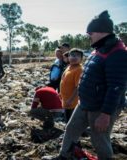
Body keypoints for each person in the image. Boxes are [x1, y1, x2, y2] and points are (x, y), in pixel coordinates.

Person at [54, 10, 127, 160]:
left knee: (99, 138)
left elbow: (116, 87)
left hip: (101, 107)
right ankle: (64, 156)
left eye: (90, 34)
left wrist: (105, 114)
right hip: (86, 103)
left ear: (102, 32)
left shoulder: (118, 53)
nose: (88, 37)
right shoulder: (99, 49)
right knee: (71, 129)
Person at [59, 49, 83, 123]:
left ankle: (71, 134)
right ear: (68, 57)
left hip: (72, 102)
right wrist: (61, 93)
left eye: (77, 56)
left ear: (81, 59)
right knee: (67, 119)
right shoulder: (69, 67)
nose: (74, 57)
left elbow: (78, 87)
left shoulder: (79, 69)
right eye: (72, 55)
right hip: (66, 100)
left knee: (71, 121)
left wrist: (71, 99)